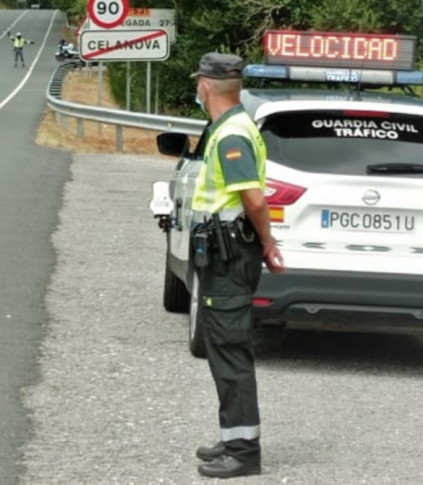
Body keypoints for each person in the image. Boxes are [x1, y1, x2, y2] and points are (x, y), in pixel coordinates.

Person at [189, 52, 284, 479]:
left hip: (229, 256)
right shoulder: (234, 126)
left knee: (229, 350)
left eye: (198, 84)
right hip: (226, 253)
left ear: (206, 87)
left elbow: (254, 199)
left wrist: (268, 242)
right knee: (224, 346)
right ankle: (232, 438)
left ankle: (243, 451)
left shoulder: (231, 135)